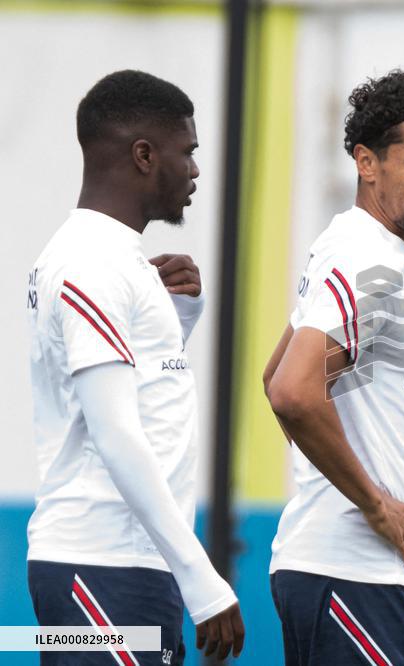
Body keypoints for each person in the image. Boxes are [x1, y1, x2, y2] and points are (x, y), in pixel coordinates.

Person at [26, 70, 244, 665]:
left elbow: (146, 397)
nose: (196, 170)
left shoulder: (120, 261)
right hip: (102, 564)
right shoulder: (91, 262)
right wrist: (202, 579)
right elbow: (115, 433)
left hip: (129, 567)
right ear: (145, 155)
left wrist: (181, 317)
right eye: (188, 152)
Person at [263, 70, 404, 666]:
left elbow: (275, 376)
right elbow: (292, 391)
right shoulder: (365, 255)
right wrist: (372, 503)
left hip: (345, 574)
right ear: (366, 161)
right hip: (357, 577)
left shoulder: (362, 247)